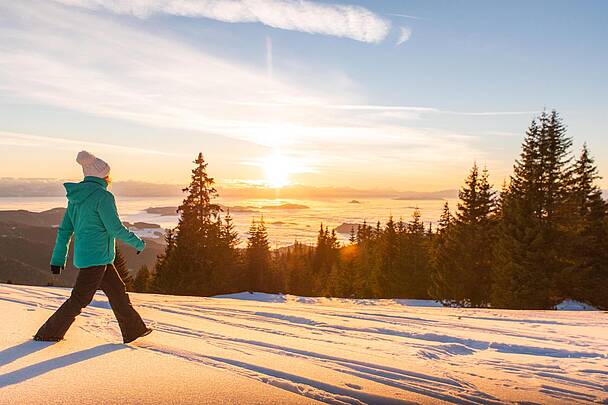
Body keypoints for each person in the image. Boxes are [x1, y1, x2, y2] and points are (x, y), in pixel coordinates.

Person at [34, 151, 152, 344]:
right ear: (104, 176)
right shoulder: (103, 197)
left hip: (94, 256)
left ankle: (134, 330)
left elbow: (65, 230)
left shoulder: (75, 197)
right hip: (97, 257)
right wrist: (137, 243)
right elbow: (114, 228)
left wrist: (58, 258)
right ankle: (48, 333)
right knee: (80, 299)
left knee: (117, 291)